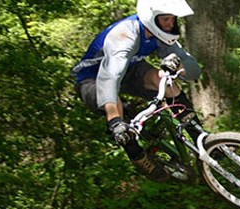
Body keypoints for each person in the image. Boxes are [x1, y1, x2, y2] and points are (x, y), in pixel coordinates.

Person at [71, 0, 206, 181]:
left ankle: (201, 140)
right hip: (92, 79)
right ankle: (138, 156)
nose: (171, 24)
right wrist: (115, 121)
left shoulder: (161, 34)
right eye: (166, 19)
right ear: (152, 18)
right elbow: (110, 77)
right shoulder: (125, 35)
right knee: (117, 114)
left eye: (173, 19)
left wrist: (178, 65)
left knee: (164, 81)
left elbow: (193, 69)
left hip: (130, 69)